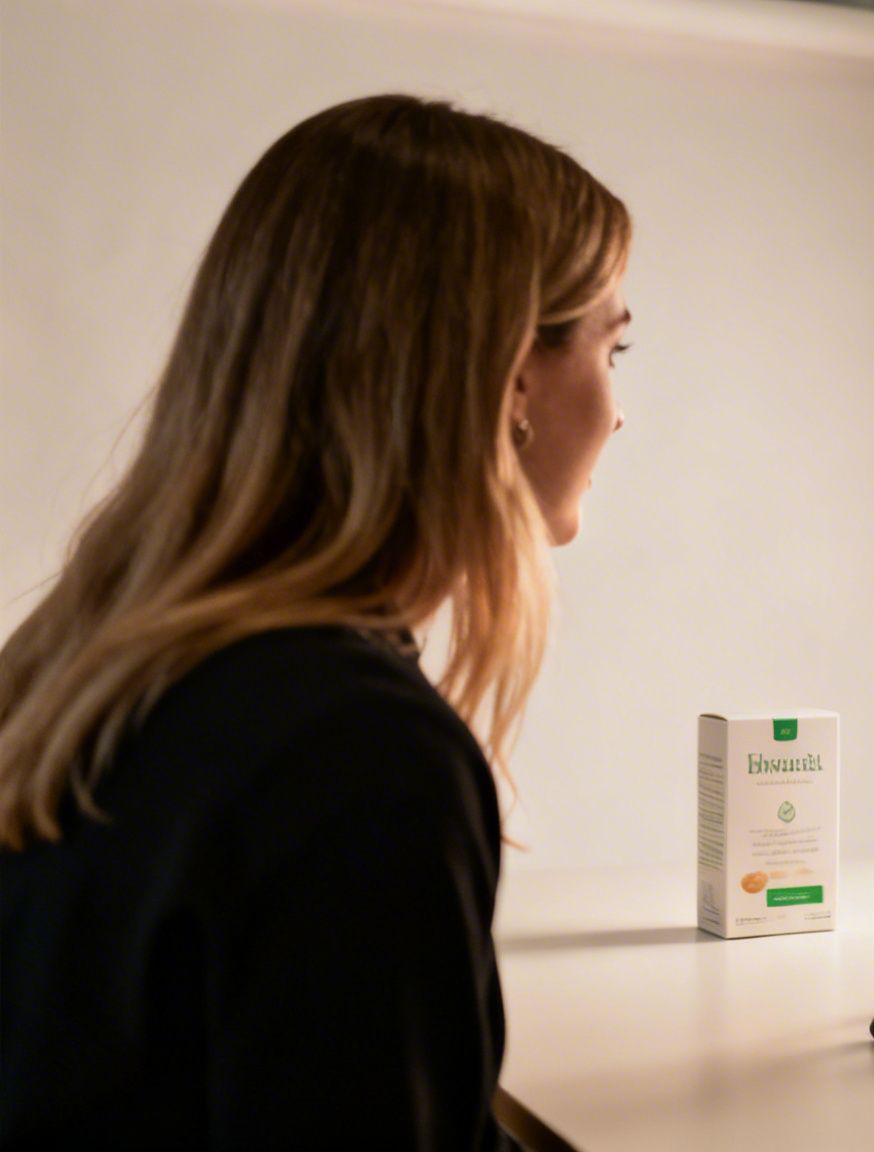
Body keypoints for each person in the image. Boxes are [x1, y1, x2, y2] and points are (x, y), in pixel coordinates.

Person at [0, 95, 632, 1149]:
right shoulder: (358, 757)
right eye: (616, 349)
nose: (616, 409)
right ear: (514, 373)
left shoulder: (89, 666)